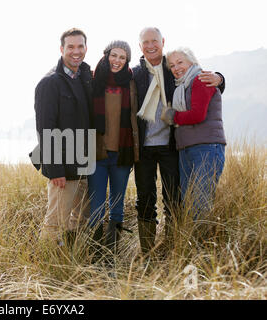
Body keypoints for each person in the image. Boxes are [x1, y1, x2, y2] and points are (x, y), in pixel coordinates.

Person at [132, 27, 225, 256]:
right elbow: (111, 76)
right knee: (145, 198)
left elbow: (201, 80)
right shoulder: (135, 74)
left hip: (171, 146)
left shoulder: (171, 68)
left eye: (155, 41)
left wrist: (220, 78)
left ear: (162, 42)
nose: (151, 45)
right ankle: (148, 253)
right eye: (146, 42)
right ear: (140, 46)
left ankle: (173, 248)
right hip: (143, 148)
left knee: (174, 199)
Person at [32, 28, 93, 246]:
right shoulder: (50, 83)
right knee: (55, 222)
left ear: (86, 48)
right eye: (71, 47)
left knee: (78, 220)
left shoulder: (84, 78)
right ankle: (45, 267)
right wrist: (55, 169)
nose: (76, 51)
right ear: (61, 49)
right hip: (62, 169)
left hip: (84, 163)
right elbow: (45, 129)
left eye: (80, 46)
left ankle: (69, 262)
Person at [161, 47, 226, 220]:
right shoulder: (181, 86)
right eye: (172, 65)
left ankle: (201, 245)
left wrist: (172, 115)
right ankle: (191, 245)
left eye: (180, 62)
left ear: (192, 61)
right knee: (190, 203)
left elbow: (198, 114)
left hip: (206, 148)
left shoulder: (201, 79)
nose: (176, 68)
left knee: (199, 204)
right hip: (187, 149)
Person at [87, 40, 139, 253]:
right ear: (107, 55)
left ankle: (111, 255)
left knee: (117, 207)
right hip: (97, 154)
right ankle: (95, 255)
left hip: (122, 154)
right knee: (96, 208)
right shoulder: (92, 79)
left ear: (127, 60)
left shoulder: (132, 83)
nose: (117, 60)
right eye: (114, 55)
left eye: (122, 57)